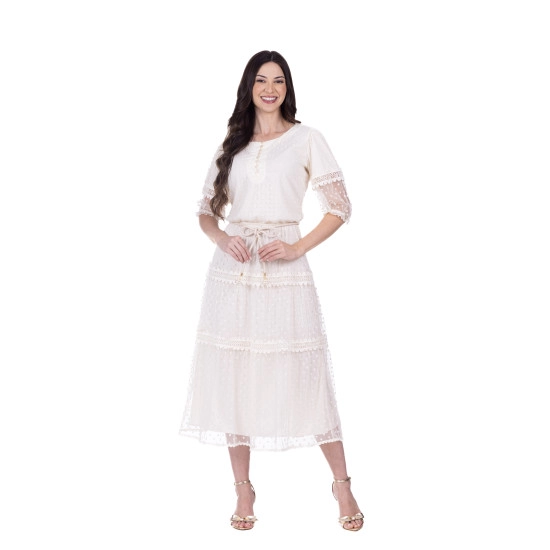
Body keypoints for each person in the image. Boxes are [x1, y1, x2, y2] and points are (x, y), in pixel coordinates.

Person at [179, 50, 363, 532]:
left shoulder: (307, 138)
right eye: (261, 80)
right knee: (233, 377)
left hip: (284, 271)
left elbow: (340, 207)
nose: (270, 88)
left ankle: (342, 483)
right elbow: (205, 211)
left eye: (278, 80)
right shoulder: (233, 142)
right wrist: (223, 239)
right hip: (233, 273)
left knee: (306, 377)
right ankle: (243, 488)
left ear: (288, 88)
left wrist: (297, 246)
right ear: (249, 86)